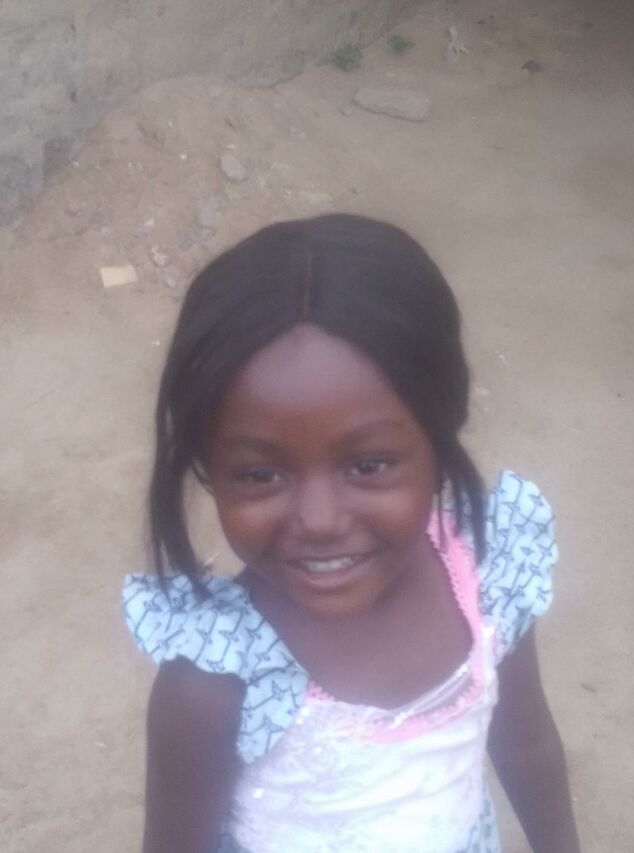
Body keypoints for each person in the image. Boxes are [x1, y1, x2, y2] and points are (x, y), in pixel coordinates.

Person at [123, 214, 581, 853]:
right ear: (207, 466)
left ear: (440, 436)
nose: (319, 520)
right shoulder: (212, 679)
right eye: (260, 474)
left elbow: (527, 745)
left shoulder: (490, 573)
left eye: (368, 465)